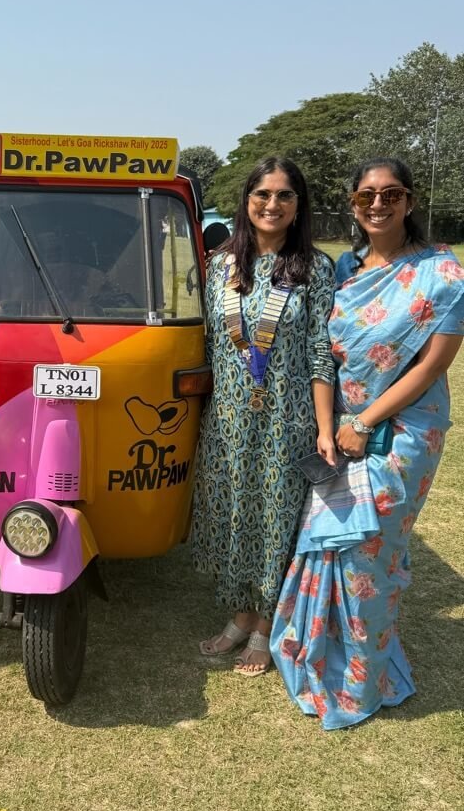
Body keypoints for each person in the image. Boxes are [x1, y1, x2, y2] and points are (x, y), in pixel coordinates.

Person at [270, 158, 464, 728]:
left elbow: (430, 367)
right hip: (342, 431)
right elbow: (324, 357)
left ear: (409, 201)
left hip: (404, 435)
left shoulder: (442, 273)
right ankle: (327, 651)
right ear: (354, 204)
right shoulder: (344, 270)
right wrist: (330, 428)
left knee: (371, 553)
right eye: (366, 196)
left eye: (391, 194)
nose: (378, 204)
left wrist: (364, 423)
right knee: (331, 543)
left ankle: (361, 680)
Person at [189, 157, 336, 675]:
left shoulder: (315, 268)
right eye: (262, 194)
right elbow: (209, 342)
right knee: (233, 515)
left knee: (276, 521)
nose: (272, 204)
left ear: (298, 205)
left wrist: (325, 429)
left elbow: (320, 351)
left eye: (284, 195)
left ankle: (268, 623)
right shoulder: (220, 265)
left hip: (286, 422)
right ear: (246, 200)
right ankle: (240, 614)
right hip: (228, 420)